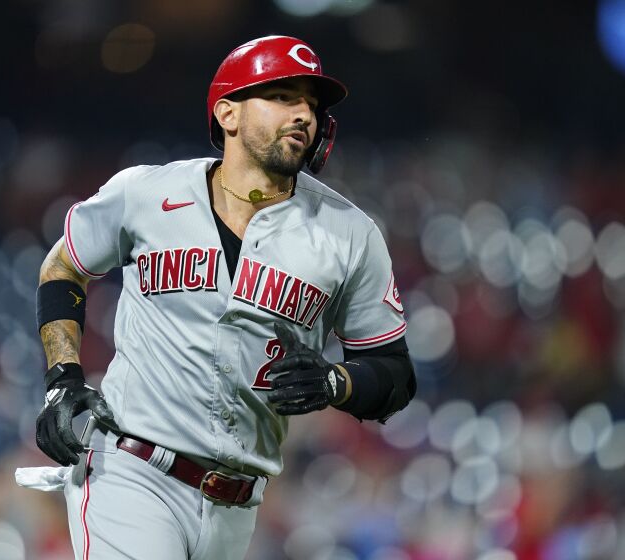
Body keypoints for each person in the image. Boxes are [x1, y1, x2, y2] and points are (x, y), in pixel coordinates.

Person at [22, 35, 416, 560]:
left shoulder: (349, 234)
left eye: (311, 104)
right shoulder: (145, 193)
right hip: (131, 472)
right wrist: (63, 379)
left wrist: (334, 382)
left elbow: (394, 372)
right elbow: (63, 266)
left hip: (236, 506)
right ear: (227, 113)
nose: (303, 114)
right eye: (282, 96)